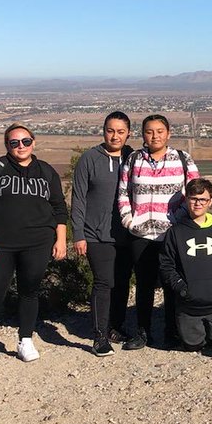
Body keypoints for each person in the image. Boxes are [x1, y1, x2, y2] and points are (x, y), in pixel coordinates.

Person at [0, 125, 68, 373]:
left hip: (38, 243)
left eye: (25, 141)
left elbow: (59, 207)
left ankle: (25, 340)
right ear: (7, 145)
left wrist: (61, 240)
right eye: (14, 142)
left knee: (30, 291)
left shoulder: (46, 171)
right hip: (0, 244)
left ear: (34, 143)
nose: (20, 146)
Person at [117, 114, 200, 349]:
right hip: (140, 234)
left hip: (171, 234)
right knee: (144, 285)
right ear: (143, 135)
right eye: (150, 131)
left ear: (168, 133)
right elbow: (123, 192)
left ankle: (172, 332)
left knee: (171, 283)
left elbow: (194, 192)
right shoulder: (133, 160)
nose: (155, 136)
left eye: (160, 131)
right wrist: (128, 221)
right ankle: (142, 332)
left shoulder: (183, 159)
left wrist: (178, 219)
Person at [70, 111, 135, 357]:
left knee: (121, 283)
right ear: (103, 131)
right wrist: (78, 234)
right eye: (110, 130)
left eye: (120, 131)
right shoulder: (90, 159)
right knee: (103, 282)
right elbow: (78, 199)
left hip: (127, 233)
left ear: (128, 133)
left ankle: (114, 327)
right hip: (96, 234)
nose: (115, 135)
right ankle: (99, 335)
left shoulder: (134, 157)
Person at [159, 178, 212, 352]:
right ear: (186, 200)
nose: (198, 203)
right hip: (189, 306)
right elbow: (166, 265)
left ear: (211, 201)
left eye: (203, 199)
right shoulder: (175, 232)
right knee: (192, 346)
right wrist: (182, 289)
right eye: (193, 198)